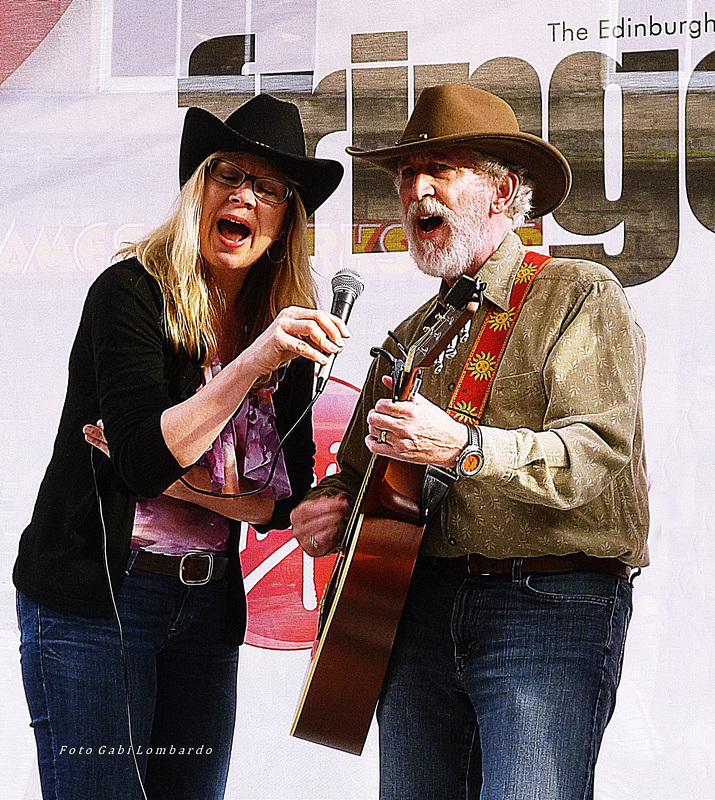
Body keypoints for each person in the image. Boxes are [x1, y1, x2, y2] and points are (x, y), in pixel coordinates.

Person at [290, 83, 649, 800]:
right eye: (404, 177)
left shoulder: (578, 291)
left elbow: (590, 456)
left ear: (503, 190)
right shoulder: (408, 335)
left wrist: (461, 445)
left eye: (441, 169)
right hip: (413, 605)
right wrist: (330, 506)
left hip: (543, 606)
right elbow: (358, 471)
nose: (416, 190)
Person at [14, 93, 347, 800]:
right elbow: (142, 460)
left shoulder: (282, 326)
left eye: (269, 189)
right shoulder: (130, 293)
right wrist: (250, 365)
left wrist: (180, 483)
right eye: (230, 175)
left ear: (287, 217)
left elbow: (278, 500)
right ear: (199, 186)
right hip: (100, 601)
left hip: (205, 607)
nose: (246, 197)